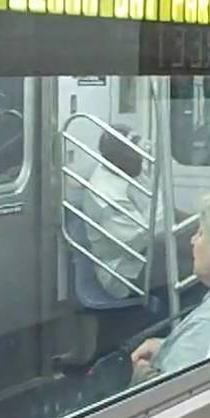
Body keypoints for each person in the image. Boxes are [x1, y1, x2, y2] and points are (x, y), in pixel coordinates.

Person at [85, 126, 192, 298]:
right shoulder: (105, 194)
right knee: (197, 262)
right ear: (117, 159)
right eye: (135, 158)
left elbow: (164, 212)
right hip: (125, 270)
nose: (140, 162)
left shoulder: (130, 167)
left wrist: (199, 222)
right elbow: (142, 240)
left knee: (201, 239)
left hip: (147, 246)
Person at [130, 193, 210, 384]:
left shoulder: (207, 326)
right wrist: (164, 347)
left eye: (201, 233)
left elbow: (164, 400)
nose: (193, 240)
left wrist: (141, 379)